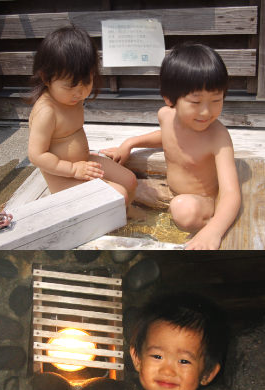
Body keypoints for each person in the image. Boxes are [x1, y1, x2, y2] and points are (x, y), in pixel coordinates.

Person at [101, 43, 241, 250]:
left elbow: (231, 193)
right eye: (195, 102)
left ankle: (206, 226)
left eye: (216, 100)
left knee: (182, 209)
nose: (206, 112)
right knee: (119, 188)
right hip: (169, 193)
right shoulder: (166, 116)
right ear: (170, 99)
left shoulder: (218, 137)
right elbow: (166, 136)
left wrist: (214, 232)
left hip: (200, 202)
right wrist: (130, 143)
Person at [27, 26, 137, 207]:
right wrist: (72, 169)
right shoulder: (46, 111)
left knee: (130, 180)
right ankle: (113, 223)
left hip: (84, 163)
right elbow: (36, 156)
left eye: (87, 82)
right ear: (46, 78)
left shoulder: (70, 99)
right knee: (119, 195)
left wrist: (80, 161)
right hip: (63, 177)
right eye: (71, 85)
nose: (80, 92)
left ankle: (126, 213)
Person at [80, 292, 228, 390]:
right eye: (157, 356)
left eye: (183, 361)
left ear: (207, 373)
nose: (167, 371)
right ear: (138, 359)